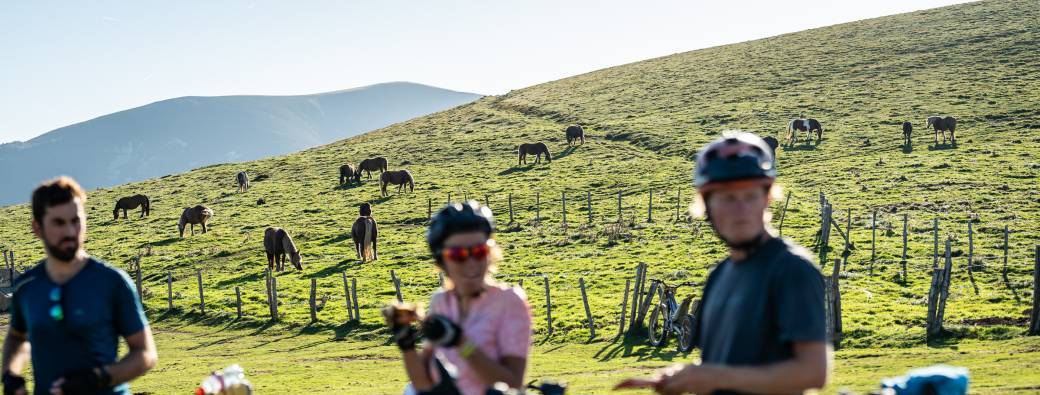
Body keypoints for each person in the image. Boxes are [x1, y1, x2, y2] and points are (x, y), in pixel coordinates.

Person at [634, 131, 830, 395]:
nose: (741, 210)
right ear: (705, 205)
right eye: (727, 198)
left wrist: (713, 376)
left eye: (750, 196)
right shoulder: (720, 274)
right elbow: (721, 365)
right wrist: (684, 376)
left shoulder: (791, 269)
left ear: (768, 199)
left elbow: (811, 372)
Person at [2, 176, 158, 395]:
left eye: (76, 221)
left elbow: (145, 353)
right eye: (58, 223)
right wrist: (11, 376)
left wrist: (98, 378)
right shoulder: (26, 287)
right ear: (37, 228)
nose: (70, 232)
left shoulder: (113, 281)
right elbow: (17, 337)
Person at [385, 200, 532, 395]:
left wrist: (461, 342)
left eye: (480, 252)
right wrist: (406, 344)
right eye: (458, 254)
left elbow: (513, 383)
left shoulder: (509, 302)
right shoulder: (441, 302)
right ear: (441, 261)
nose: (471, 263)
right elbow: (422, 384)